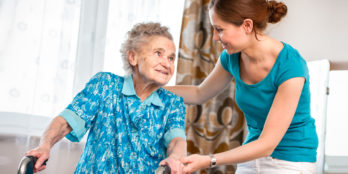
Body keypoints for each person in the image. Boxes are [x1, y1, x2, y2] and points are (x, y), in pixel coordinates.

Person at [164, 0, 318, 173]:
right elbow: (199, 93)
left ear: (246, 25)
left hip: (291, 160)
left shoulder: (290, 66)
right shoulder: (231, 58)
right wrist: (150, 90)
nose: (215, 37)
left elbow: (267, 144)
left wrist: (209, 160)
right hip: (252, 155)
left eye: (220, 29)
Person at [25, 22, 187, 173]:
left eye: (171, 58)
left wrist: (174, 158)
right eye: (158, 53)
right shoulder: (105, 85)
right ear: (133, 57)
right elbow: (67, 121)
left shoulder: (173, 103)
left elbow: (176, 141)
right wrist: (44, 146)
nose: (167, 64)